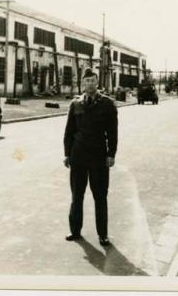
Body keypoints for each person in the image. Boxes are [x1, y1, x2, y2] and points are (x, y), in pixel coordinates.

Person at [63, 68, 118, 247]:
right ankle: (75, 231)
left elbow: (112, 132)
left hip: (99, 157)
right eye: (86, 81)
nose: (90, 84)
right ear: (83, 83)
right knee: (76, 195)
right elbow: (69, 132)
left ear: (97, 82)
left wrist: (111, 154)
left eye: (93, 81)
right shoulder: (75, 104)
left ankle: (103, 235)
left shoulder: (107, 104)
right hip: (78, 156)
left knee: (100, 196)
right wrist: (67, 154)